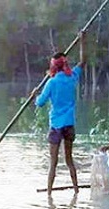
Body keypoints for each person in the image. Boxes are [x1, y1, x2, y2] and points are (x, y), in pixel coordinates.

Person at [35, 31, 86, 196]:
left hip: (56, 125)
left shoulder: (51, 82)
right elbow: (83, 62)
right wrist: (82, 41)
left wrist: (35, 94)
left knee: (53, 163)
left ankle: (49, 194)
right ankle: (76, 190)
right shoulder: (72, 77)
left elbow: (40, 103)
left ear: (53, 66)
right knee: (69, 160)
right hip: (69, 124)